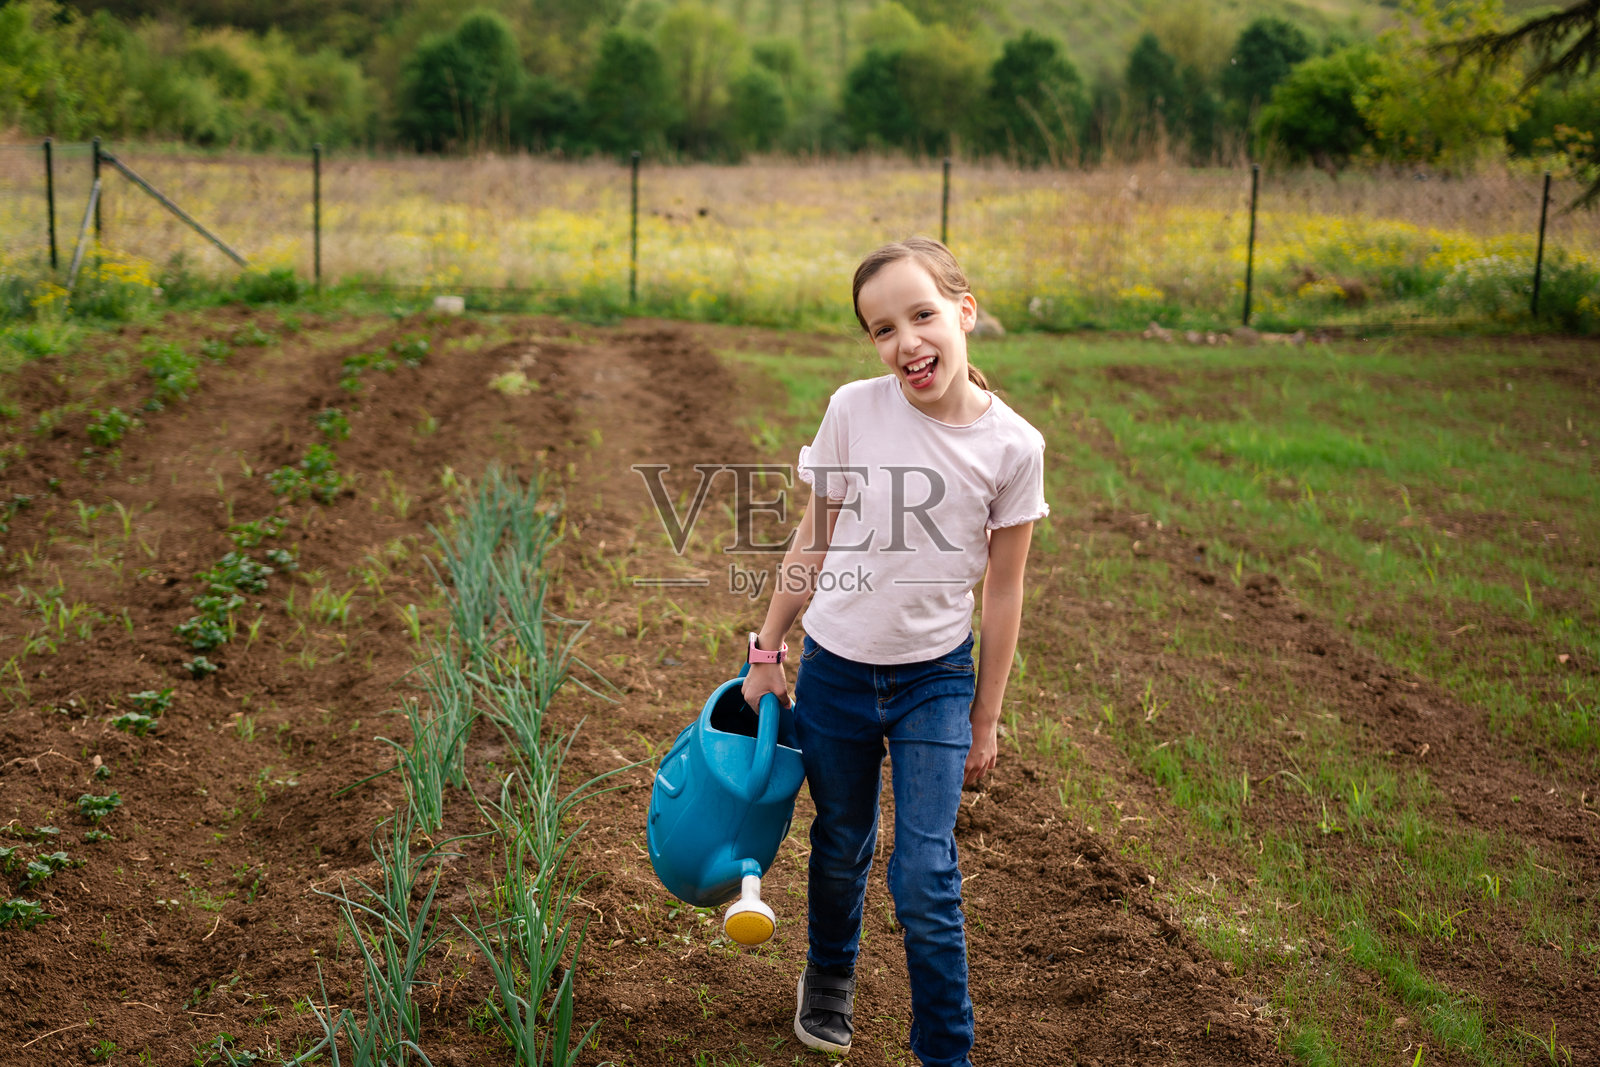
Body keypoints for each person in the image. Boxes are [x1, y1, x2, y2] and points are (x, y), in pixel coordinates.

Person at [740, 237, 1048, 1067]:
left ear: (964, 312)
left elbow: (1005, 589)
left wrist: (986, 714)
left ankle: (945, 1049)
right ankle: (830, 978)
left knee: (924, 872)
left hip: (935, 683)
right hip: (837, 669)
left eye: (922, 314)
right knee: (840, 842)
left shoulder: (1014, 448)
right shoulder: (853, 408)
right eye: (883, 328)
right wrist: (766, 646)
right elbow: (815, 533)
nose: (906, 341)